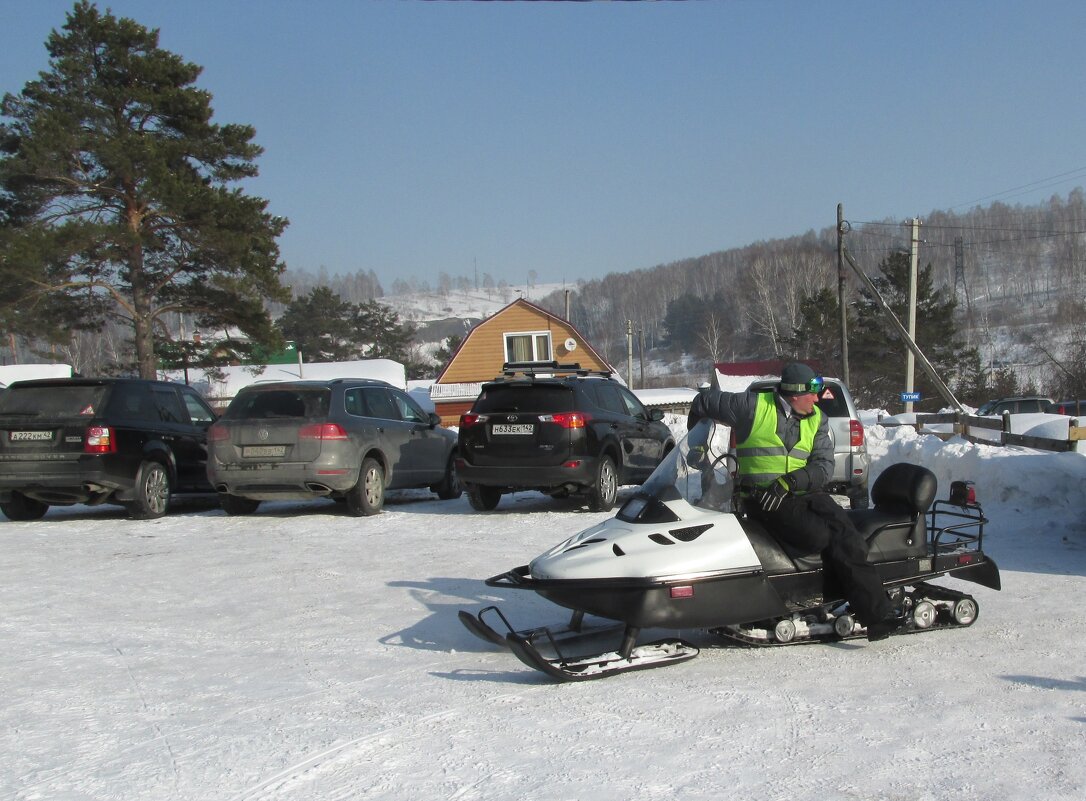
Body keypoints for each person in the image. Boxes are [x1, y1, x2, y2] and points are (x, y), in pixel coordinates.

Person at [687, 362, 902, 641]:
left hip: (802, 493)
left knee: (847, 534)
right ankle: (830, 596)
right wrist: (698, 448)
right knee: (819, 536)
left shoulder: (818, 419)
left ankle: (876, 615)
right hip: (762, 498)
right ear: (793, 394)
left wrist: (790, 482)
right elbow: (702, 401)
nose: (816, 399)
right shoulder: (751, 406)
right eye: (811, 394)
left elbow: (824, 466)